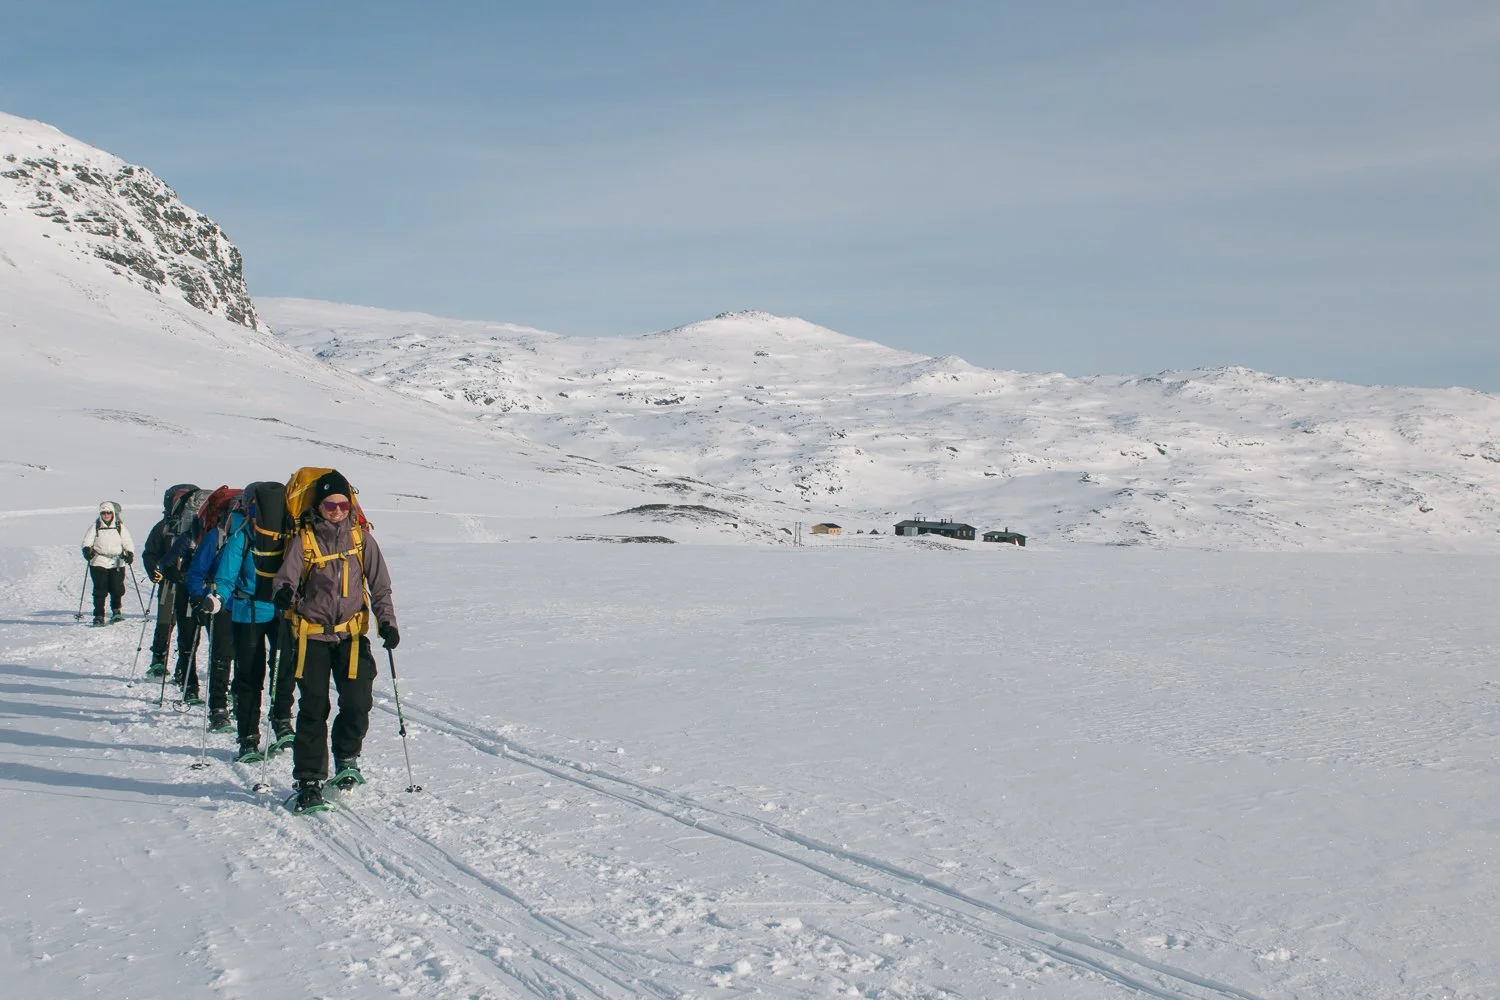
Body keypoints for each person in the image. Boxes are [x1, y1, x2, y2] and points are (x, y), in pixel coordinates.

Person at [272, 471, 398, 813]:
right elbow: (286, 578)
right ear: (320, 505)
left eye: (344, 504)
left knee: (358, 703)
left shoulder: (362, 540)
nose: (337, 510)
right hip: (311, 637)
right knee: (313, 709)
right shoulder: (305, 541)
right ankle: (309, 780)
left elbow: (380, 585)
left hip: (352, 637)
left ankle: (346, 758)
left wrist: (387, 622)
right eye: (331, 504)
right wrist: (283, 593)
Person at [212, 487, 295, 761]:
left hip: (270, 610)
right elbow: (226, 575)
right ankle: (258, 732)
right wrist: (217, 597)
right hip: (253, 610)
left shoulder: (281, 535)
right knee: (258, 673)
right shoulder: (245, 536)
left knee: (275, 669)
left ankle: (271, 726)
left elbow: (226, 574)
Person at [186, 490, 242, 732]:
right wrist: (199, 598)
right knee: (223, 654)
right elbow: (197, 571)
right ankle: (219, 706)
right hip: (220, 602)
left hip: (246, 605)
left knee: (244, 656)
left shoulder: (255, 537)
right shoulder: (216, 538)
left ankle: (237, 699)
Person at [141, 484, 197, 676]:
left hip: (190, 584)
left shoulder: (197, 527)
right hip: (168, 582)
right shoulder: (164, 527)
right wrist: (154, 571)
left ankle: (183, 665)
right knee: (165, 622)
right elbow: (150, 553)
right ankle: (159, 658)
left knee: (188, 627)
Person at [81, 502, 135, 625]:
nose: (106, 515)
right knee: (100, 590)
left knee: (117, 588)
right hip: (98, 561)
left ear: (113, 513)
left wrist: (130, 553)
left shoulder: (120, 526)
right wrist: (86, 550)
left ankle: (116, 611)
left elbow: (127, 541)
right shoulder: (95, 526)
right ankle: (99, 615)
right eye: (103, 513)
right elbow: (87, 541)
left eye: (108, 512)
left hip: (117, 562)